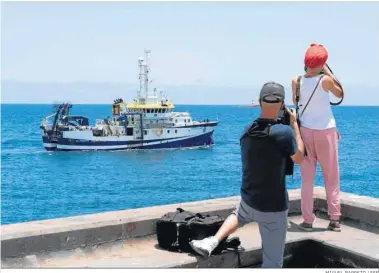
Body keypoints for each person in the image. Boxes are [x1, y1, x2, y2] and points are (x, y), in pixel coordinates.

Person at [189, 82, 305, 268]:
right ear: (283, 105)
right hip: (273, 209)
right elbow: (299, 158)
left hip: (250, 200)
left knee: (239, 214)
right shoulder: (284, 133)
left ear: (260, 102)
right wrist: (295, 129)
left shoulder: (247, 130)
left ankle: (213, 241)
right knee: (273, 264)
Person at [291, 43, 344, 232]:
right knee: (331, 177)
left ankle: (307, 220)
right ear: (322, 63)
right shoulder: (325, 81)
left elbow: (296, 102)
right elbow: (340, 93)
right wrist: (328, 71)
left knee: (307, 180)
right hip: (326, 131)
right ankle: (334, 219)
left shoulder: (296, 80)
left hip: (305, 132)